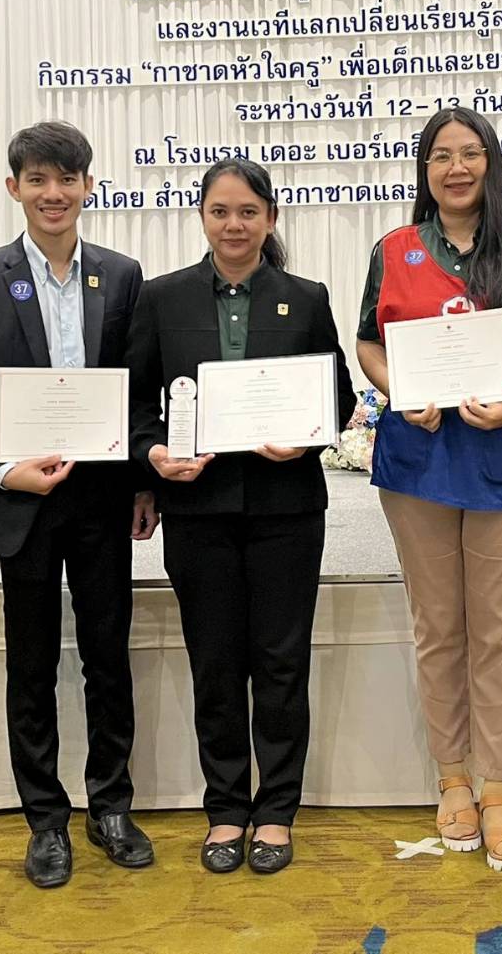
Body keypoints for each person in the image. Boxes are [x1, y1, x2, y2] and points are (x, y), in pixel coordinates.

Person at [355, 107, 502, 873]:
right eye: (440, 156)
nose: (456, 168)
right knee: (438, 626)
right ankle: (451, 777)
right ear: (424, 169)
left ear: (490, 163)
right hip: (418, 458)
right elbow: (369, 342)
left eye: (470, 153)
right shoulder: (394, 249)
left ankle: (497, 788)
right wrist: (401, 388)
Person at [0, 121, 157, 889]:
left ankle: (111, 805)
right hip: (22, 500)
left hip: (100, 499)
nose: (53, 193)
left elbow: (137, 390)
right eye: (37, 179)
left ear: (88, 186)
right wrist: (1, 467)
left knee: (107, 657)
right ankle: (45, 819)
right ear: (14, 188)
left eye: (67, 179)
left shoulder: (121, 276)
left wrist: (143, 481)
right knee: (30, 664)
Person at [125, 157, 353, 875]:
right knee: (216, 662)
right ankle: (226, 807)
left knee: (281, 663)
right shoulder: (161, 298)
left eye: (248, 212)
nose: (234, 224)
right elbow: (135, 403)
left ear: (270, 218)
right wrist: (153, 457)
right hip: (199, 508)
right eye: (220, 211)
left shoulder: (305, 297)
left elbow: (338, 395)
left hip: (287, 507)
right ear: (201, 216)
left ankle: (276, 810)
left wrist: (308, 436)